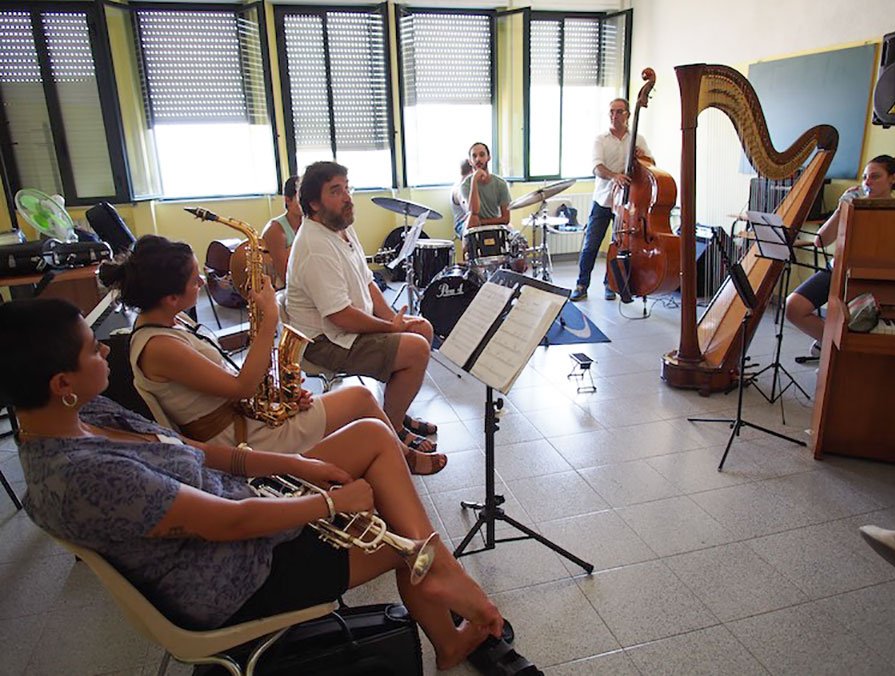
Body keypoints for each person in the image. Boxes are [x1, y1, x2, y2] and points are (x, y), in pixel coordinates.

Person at [0, 297, 514, 671]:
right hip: (239, 573)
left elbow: (191, 451)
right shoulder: (81, 475)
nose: (105, 355)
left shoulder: (84, 413)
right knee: (397, 533)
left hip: (244, 516)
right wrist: (329, 502)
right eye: (93, 351)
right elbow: (230, 523)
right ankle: (445, 617)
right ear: (60, 383)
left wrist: (299, 468)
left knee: (371, 434)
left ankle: (439, 570)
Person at [98, 235, 446, 475]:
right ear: (170, 297)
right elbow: (241, 388)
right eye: (194, 280)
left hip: (244, 418)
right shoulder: (160, 347)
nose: (202, 283)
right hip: (242, 439)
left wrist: (283, 399)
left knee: (356, 403)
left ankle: (388, 458)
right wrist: (268, 323)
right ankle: (403, 459)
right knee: (359, 400)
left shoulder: (169, 321)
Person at [285, 161, 440, 453]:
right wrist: (390, 328)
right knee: (416, 349)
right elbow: (340, 316)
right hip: (323, 341)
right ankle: (392, 434)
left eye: (347, 188)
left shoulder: (341, 225)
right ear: (315, 204)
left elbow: (368, 281)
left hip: (346, 329)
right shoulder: (314, 245)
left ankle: (396, 412)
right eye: (336, 191)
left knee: (422, 329)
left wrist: (394, 321)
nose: (347, 197)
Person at [786, 155, 895, 354]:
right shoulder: (853, 206)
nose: (867, 183)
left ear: (893, 178)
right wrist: (840, 209)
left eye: (875, 177)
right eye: (865, 177)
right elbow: (820, 241)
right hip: (839, 270)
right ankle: (831, 346)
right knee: (793, 307)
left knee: (859, 322)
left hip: (875, 277)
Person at [570, 97, 653, 302]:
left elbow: (651, 166)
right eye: (611, 112)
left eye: (619, 112)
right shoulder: (601, 139)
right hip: (604, 199)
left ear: (628, 115)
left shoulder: (638, 139)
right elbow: (597, 167)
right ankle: (582, 284)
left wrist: (642, 157)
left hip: (626, 202)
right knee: (591, 244)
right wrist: (614, 176)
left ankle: (611, 283)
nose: (614, 116)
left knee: (619, 245)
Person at [460, 142, 511, 235]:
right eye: (474, 156)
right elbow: (473, 211)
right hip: (474, 228)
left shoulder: (501, 183)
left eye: (482, 155)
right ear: (470, 161)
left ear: (489, 157)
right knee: (470, 222)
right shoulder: (465, 185)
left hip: (494, 226)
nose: (478, 159)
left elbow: (506, 219)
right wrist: (474, 180)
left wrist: (481, 223)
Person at [261, 175, 302, 289]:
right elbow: (285, 277)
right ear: (288, 200)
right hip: (283, 290)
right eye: (301, 198)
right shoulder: (275, 230)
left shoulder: (310, 225)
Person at [451, 158, 474, 242]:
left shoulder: (468, 185)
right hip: (462, 224)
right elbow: (470, 211)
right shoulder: (459, 189)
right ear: (472, 171)